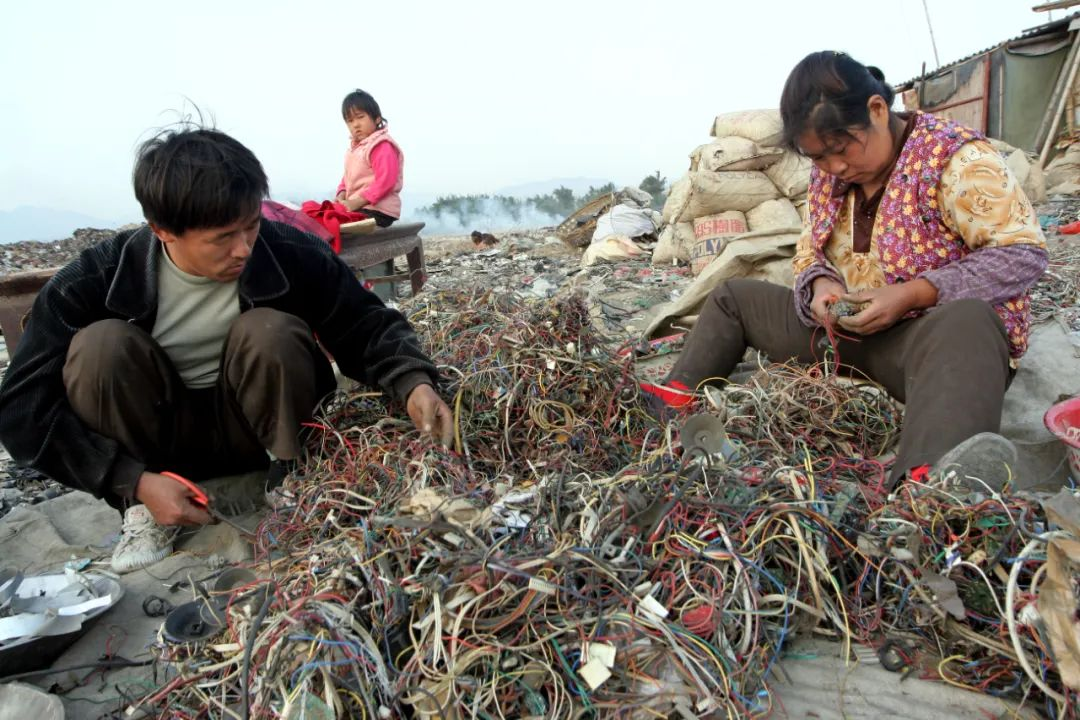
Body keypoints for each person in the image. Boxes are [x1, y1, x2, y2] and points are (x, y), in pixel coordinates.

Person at [0, 125, 453, 572]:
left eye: (251, 226)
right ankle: (142, 511)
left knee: (269, 331)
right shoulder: (95, 278)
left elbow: (365, 322)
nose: (243, 249)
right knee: (101, 346)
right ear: (163, 230)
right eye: (222, 238)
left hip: (261, 436)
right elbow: (21, 408)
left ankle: (291, 481)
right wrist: (131, 481)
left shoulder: (287, 250)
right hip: (159, 455)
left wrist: (412, 381)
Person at [666, 51, 1048, 487]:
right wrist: (822, 286)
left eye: (841, 150)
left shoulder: (957, 159)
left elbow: (1023, 255)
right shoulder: (831, 174)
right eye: (819, 159)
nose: (834, 167)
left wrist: (913, 293)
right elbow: (809, 252)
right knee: (733, 297)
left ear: (877, 110)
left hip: (921, 349)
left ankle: (926, 487)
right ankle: (673, 404)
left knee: (969, 322)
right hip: (843, 335)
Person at [334, 89, 403, 228]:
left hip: (378, 211)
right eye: (350, 121)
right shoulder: (356, 149)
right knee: (320, 214)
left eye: (360, 117)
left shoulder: (381, 145)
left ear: (377, 118)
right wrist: (341, 195)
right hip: (360, 207)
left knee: (333, 224)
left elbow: (386, 182)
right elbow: (347, 178)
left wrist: (356, 202)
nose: (355, 125)